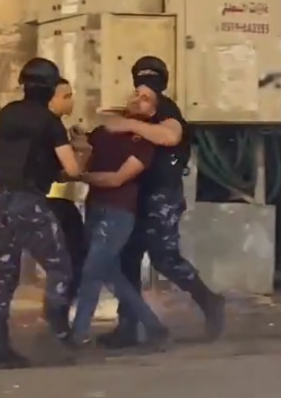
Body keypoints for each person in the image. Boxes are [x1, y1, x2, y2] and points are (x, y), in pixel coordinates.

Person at [97, 55, 226, 349]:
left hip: (161, 196)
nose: (140, 95)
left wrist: (128, 123)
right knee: (127, 259)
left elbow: (170, 136)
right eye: (138, 91)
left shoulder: (166, 109)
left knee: (164, 257)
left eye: (146, 92)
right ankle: (128, 327)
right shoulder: (139, 112)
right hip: (136, 195)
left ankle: (210, 302)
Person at [0, 58, 83, 369]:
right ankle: (55, 337)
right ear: (50, 88)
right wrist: (79, 146)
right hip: (28, 200)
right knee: (60, 267)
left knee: (5, 275)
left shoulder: (8, 113)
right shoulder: (49, 122)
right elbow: (72, 169)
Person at [69, 87, 170, 347]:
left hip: (119, 212)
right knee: (110, 275)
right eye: (136, 93)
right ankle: (154, 326)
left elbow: (118, 178)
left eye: (146, 98)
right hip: (95, 207)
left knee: (92, 271)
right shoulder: (105, 131)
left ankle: (78, 334)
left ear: (153, 111)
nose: (138, 99)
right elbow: (86, 153)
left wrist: (79, 177)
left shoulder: (144, 141)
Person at [45, 78, 90, 323]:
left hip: (54, 202)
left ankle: (57, 319)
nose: (72, 101)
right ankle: (58, 321)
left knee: (64, 265)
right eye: (67, 96)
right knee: (70, 264)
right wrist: (82, 151)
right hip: (56, 202)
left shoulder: (46, 125)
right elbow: (70, 173)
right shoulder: (51, 127)